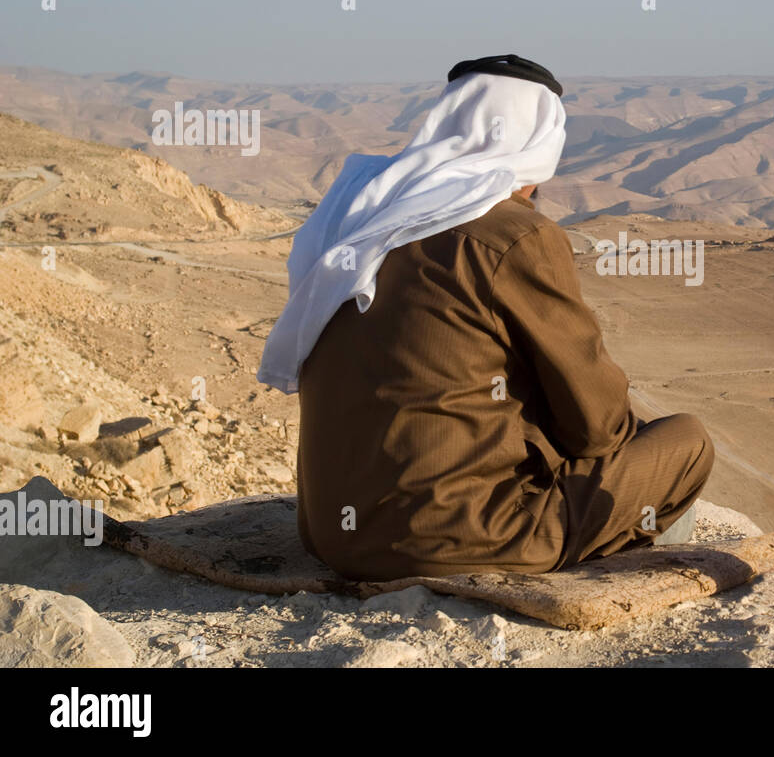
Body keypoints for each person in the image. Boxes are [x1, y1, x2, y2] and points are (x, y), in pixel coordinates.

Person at [257, 54, 714, 580]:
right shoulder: (516, 235)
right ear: (542, 143)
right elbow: (600, 430)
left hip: (332, 538)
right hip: (453, 542)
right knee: (685, 442)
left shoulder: (363, 217)